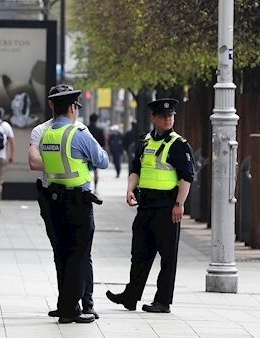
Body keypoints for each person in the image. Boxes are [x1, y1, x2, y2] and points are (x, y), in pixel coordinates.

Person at [106, 98, 194, 314]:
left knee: (167, 258)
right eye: (163, 116)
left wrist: (179, 204)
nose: (168, 119)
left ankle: (162, 301)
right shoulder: (144, 141)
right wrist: (129, 189)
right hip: (145, 207)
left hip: (167, 208)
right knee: (139, 254)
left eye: (171, 116)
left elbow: (187, 177)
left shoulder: (179, 145)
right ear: (153, 118)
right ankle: (131, 296)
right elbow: (136, 169)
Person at [37, 85, 108, 324]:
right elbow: (102, 160)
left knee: (63, 254)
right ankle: (70, 309)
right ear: (71, 108)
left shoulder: (47, 135)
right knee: (78, 256)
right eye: (76, 106)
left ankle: (65, 306)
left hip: (54, 201)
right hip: (78, 203)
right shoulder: (78, 133)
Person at [87, 113, 106, 193]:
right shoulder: (99, 130)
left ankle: (87, 187)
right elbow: (103, 142)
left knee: (86, 170)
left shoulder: (85, 129)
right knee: (95, 172)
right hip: (96, 153)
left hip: (86, 153)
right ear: (96, 120)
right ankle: (95, 188)